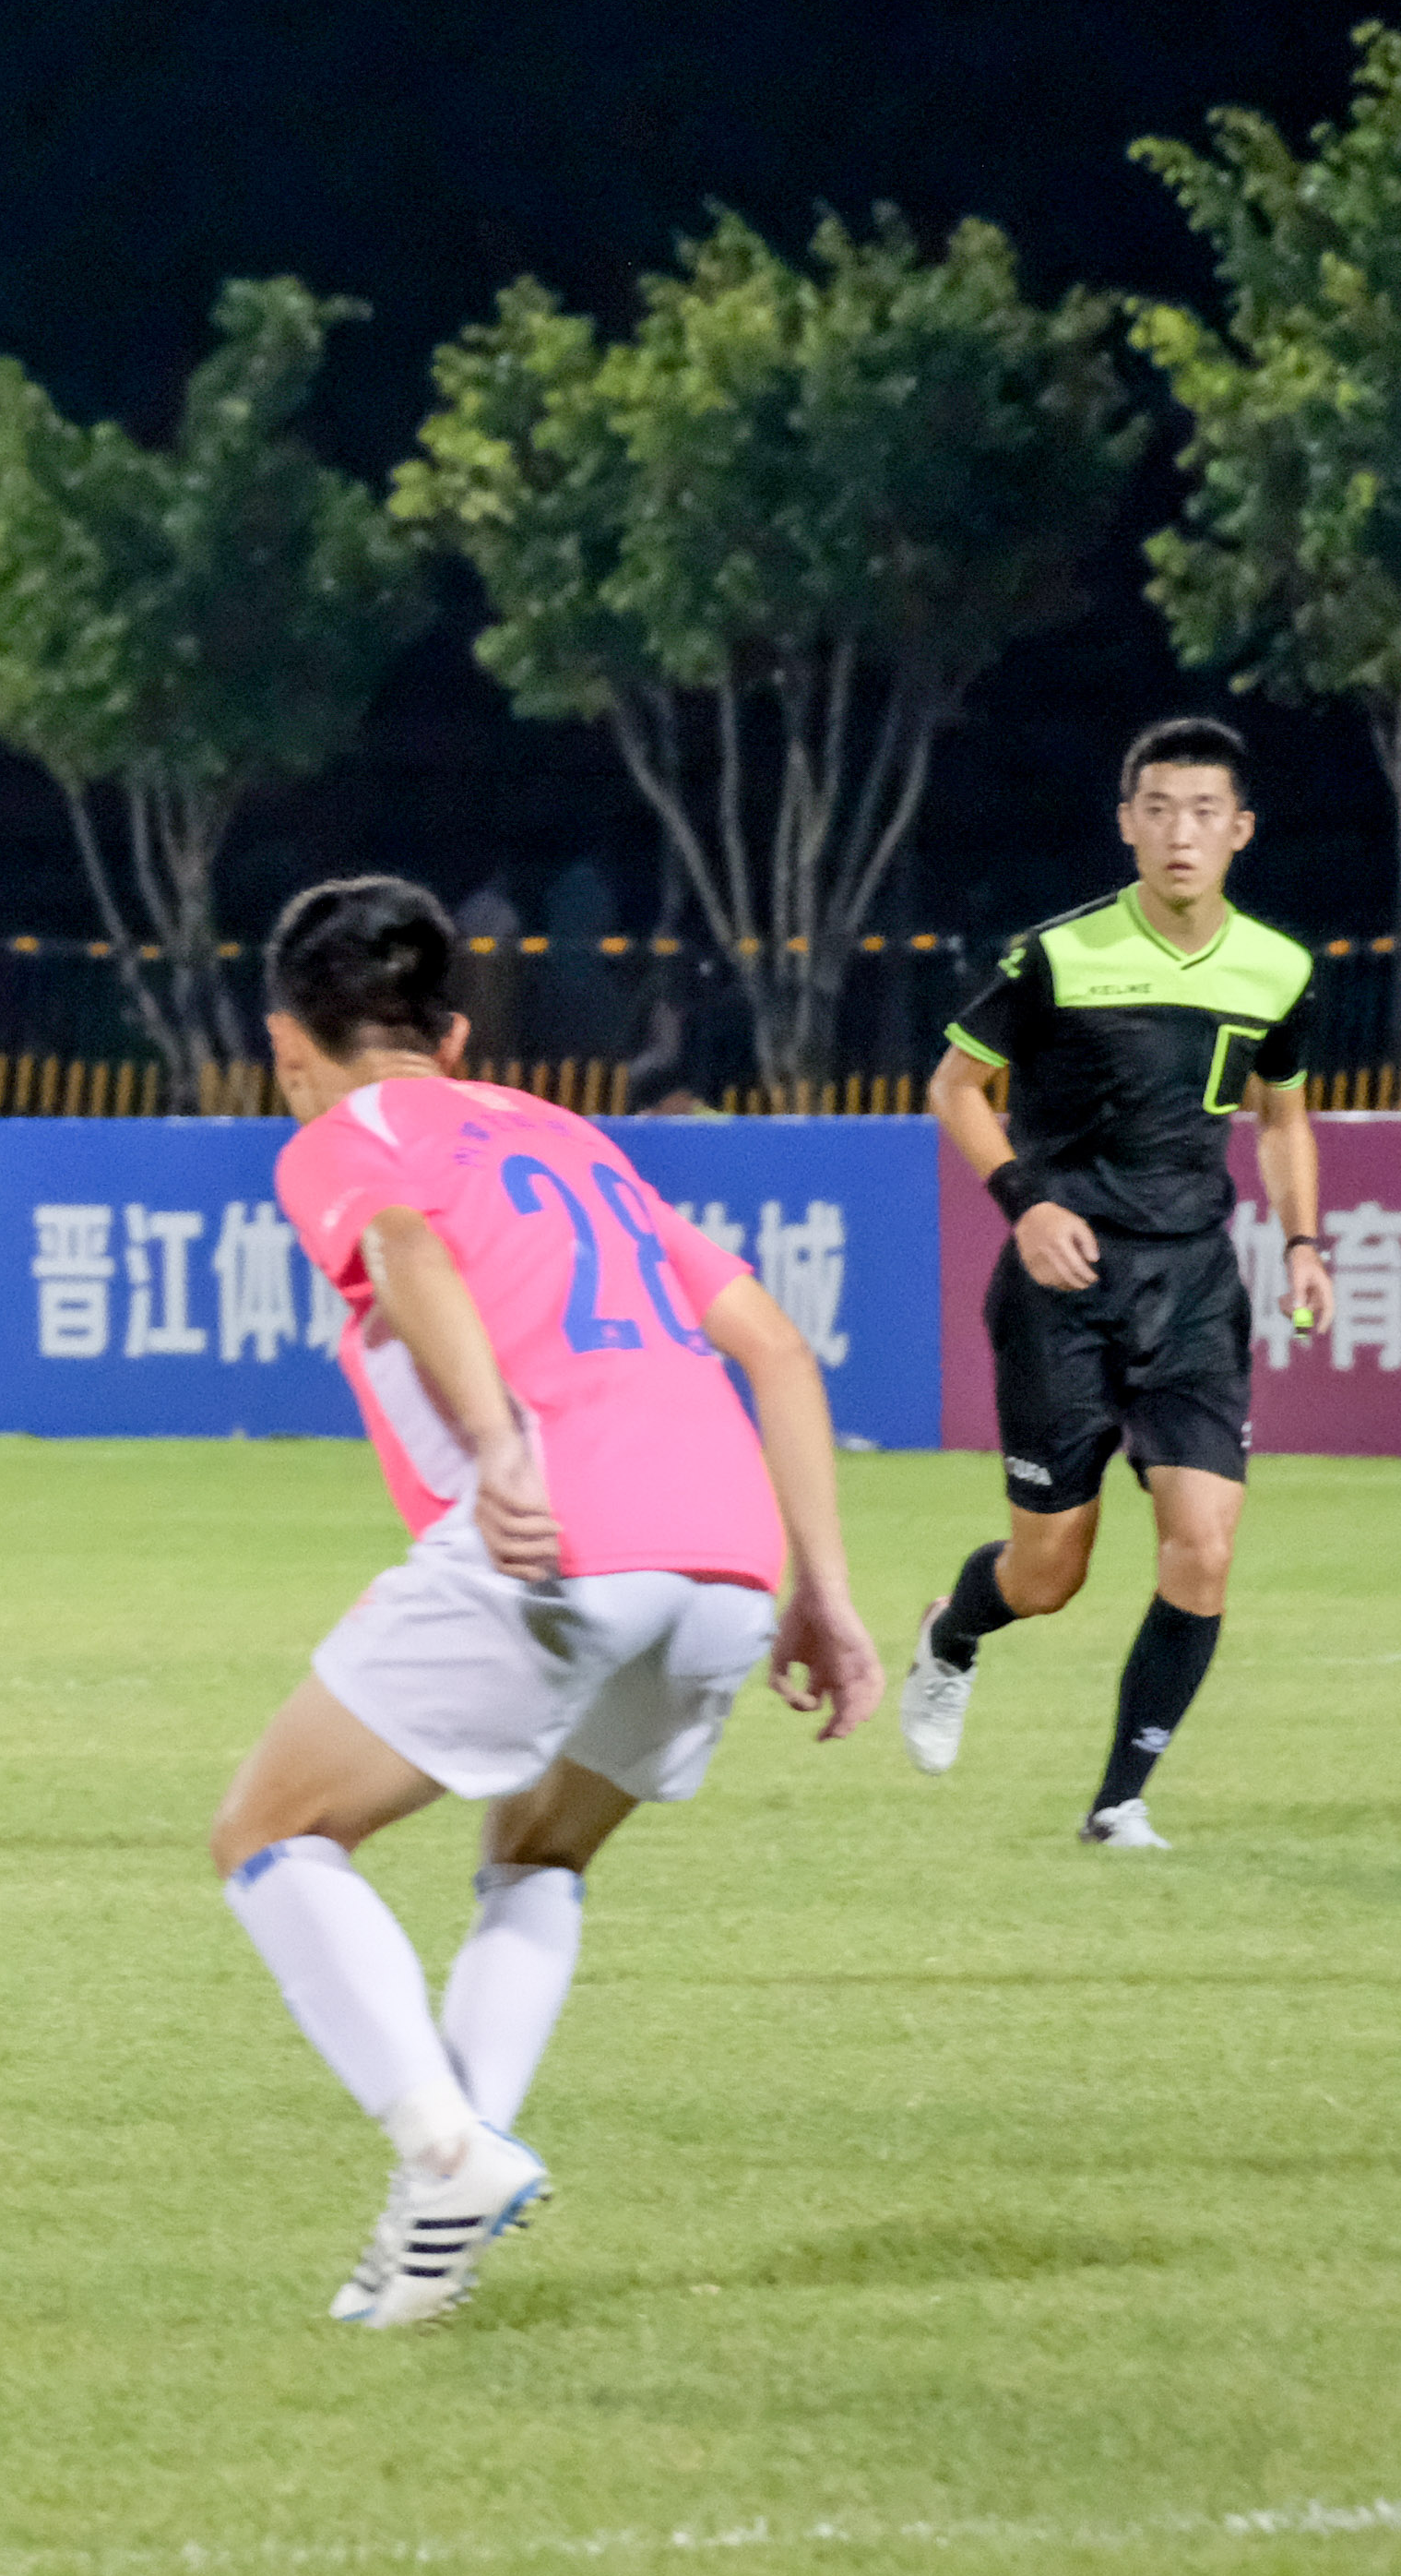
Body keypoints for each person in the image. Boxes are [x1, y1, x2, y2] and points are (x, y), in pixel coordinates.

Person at [207, 879, 876, 2331]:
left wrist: (503, 1448)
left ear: (287, 1043)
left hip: (563, 1537)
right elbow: (774, 1346)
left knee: (269, 1833)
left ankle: (447, 2154)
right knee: (538, 1850)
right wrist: (825, 1592)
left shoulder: (344, 1138)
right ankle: (434, 2226)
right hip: (728, 1564)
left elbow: (405, 1249)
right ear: (454, 1037)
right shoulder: (571, 1136)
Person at [893, 715, 1325, 1847]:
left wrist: (1304, 1243)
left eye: (1204, 812)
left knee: (1205, 1544)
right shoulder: (1059, 956)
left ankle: (1119, 1800)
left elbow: (1283, 1117)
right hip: (1065, 1288)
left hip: (1194, 1289)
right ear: (1128, 822)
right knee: (1049, 1573)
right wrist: (1026, 1203)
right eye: (1159, 810)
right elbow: (953, 1086)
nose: (1181, 833)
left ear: (1240, 830)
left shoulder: (1278, 967)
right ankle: (952, 1632)